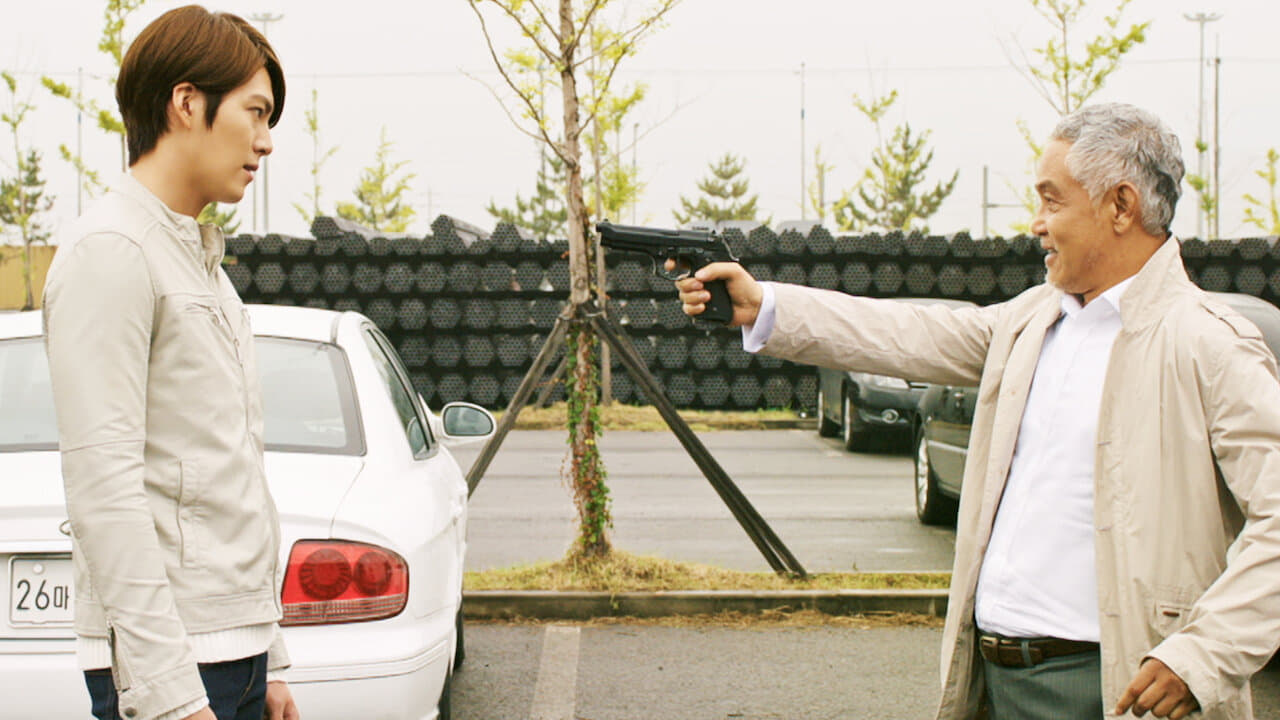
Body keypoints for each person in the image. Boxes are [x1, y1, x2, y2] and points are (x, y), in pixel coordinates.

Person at [674, 103, 1280, 720]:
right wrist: (763, 306)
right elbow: (905, 332)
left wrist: (1203, 655)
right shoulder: (1032, 321)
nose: (1036, 224)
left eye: (1052, 201)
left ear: (1121, 206)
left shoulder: (1208, 344)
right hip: (993, 682)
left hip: (1115, 691)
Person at [42, 6, 299, 720]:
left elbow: (231, 465)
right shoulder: (112, 252)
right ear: (186, 103)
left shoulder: (199, 262)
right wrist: (170, 697)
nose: (266, 140)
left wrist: (270, 654)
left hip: (232, 651)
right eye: (255, 112)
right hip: (176, 668)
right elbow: (104, 490)